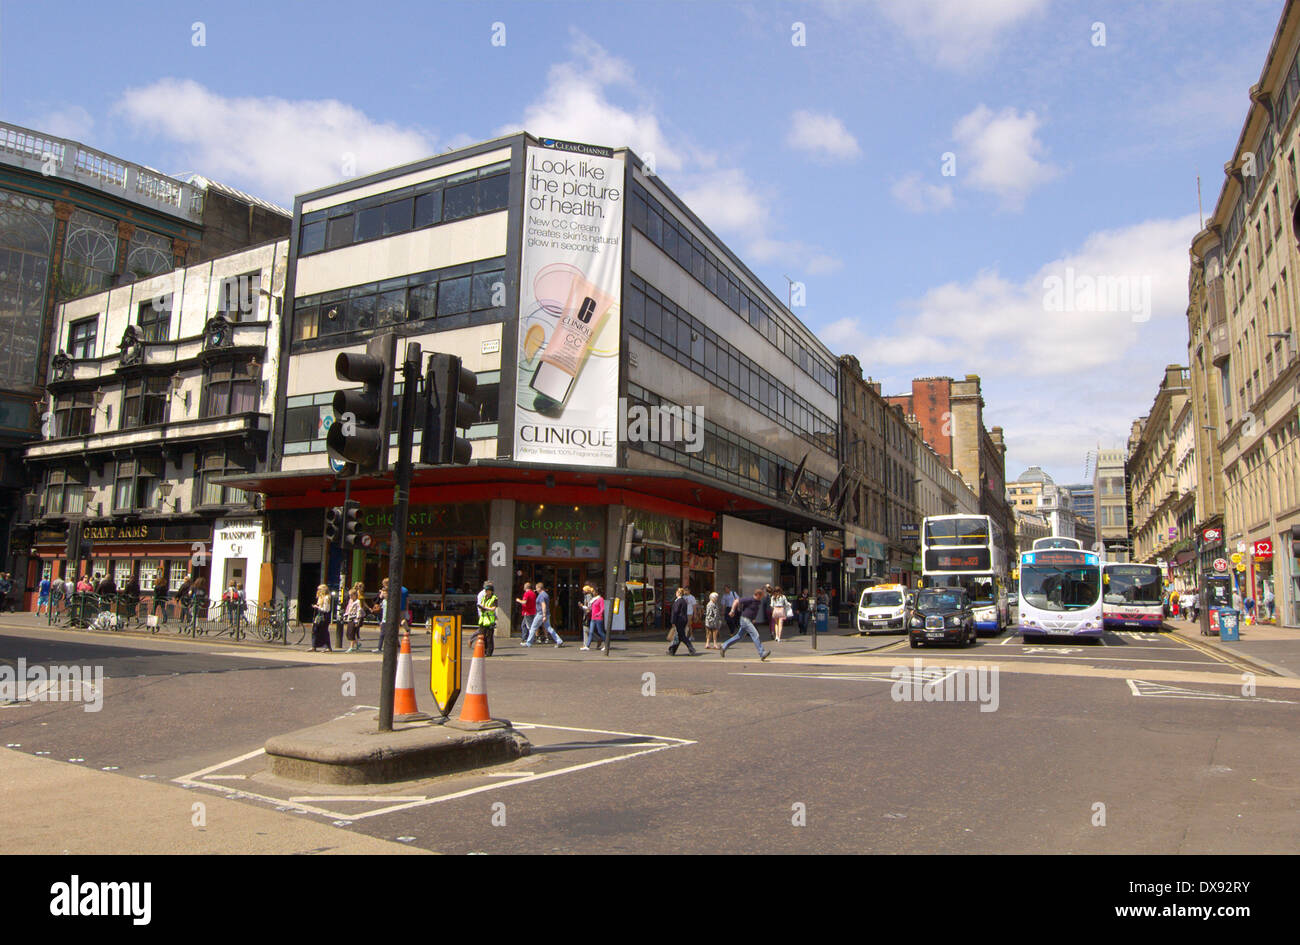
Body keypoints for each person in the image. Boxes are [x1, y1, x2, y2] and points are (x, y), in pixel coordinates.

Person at [721, 587, 771, 660]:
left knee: (739, 636)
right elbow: (736, 601)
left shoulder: (758, 601)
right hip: (745, 619)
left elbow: (754, 610)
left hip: (748, 620)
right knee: (755, 634)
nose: (762, 597)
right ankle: (762, 652)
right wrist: (732, 611)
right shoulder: (750, 599)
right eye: (761, 596)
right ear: (757, 595)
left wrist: (753, 619)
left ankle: (724, 645)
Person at [526, 580, 564, 647]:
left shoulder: (541, 595)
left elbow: (543, 605)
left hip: (541, 613)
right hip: (546, 613)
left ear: (539, 588)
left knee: (533, 627)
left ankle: (528, 642)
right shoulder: (546, 595)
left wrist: (543, 615)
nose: (536, 589)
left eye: (536, 588)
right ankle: (559, 640)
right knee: (548, 627)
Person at [668, 587, 697, 655]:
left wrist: (673, 621)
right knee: (679, 636)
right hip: (683, 620)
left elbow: (675, 612)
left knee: (682, 636)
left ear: (678, 593)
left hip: (679, 620)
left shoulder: (678, 601)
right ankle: (672, 650)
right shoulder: (683, 601)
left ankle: (691, 648)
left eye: (677, 592)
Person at [475, 581, 498, 657]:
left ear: (491, 591)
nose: (486, 592)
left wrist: (485, 608)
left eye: (487, 591)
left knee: (489, 637)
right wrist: (481, 608)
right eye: (485, 591)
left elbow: (493, 608)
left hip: (489, 619)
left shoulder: (494, 598)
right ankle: (483, 650)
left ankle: (489, 651)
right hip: (483, 619)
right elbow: (481, 604)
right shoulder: (484, 597)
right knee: (482, 636)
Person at [311, 584, 333, 652]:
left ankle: (328, 647)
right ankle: (314, 646)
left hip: (324, 615)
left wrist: (317, 607)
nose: (318, 591)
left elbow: (326, 609)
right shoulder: (320, 597)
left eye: (319, 589)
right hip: (318, 615)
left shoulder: (326, 598)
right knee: (315, 630)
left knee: (324, 631)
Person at [342, 586, 364, 653]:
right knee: (348, 633)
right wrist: (345, 614)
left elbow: (359, 610)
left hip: (354, 618)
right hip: (350, 617)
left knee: (352, 633)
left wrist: (357, 619)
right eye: (350, 595)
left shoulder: (358, 602)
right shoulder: (350, 601)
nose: (350, 597)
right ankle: (357, 644)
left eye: (351, 595)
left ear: (355, 595)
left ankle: (351, 647)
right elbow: (348, 608)